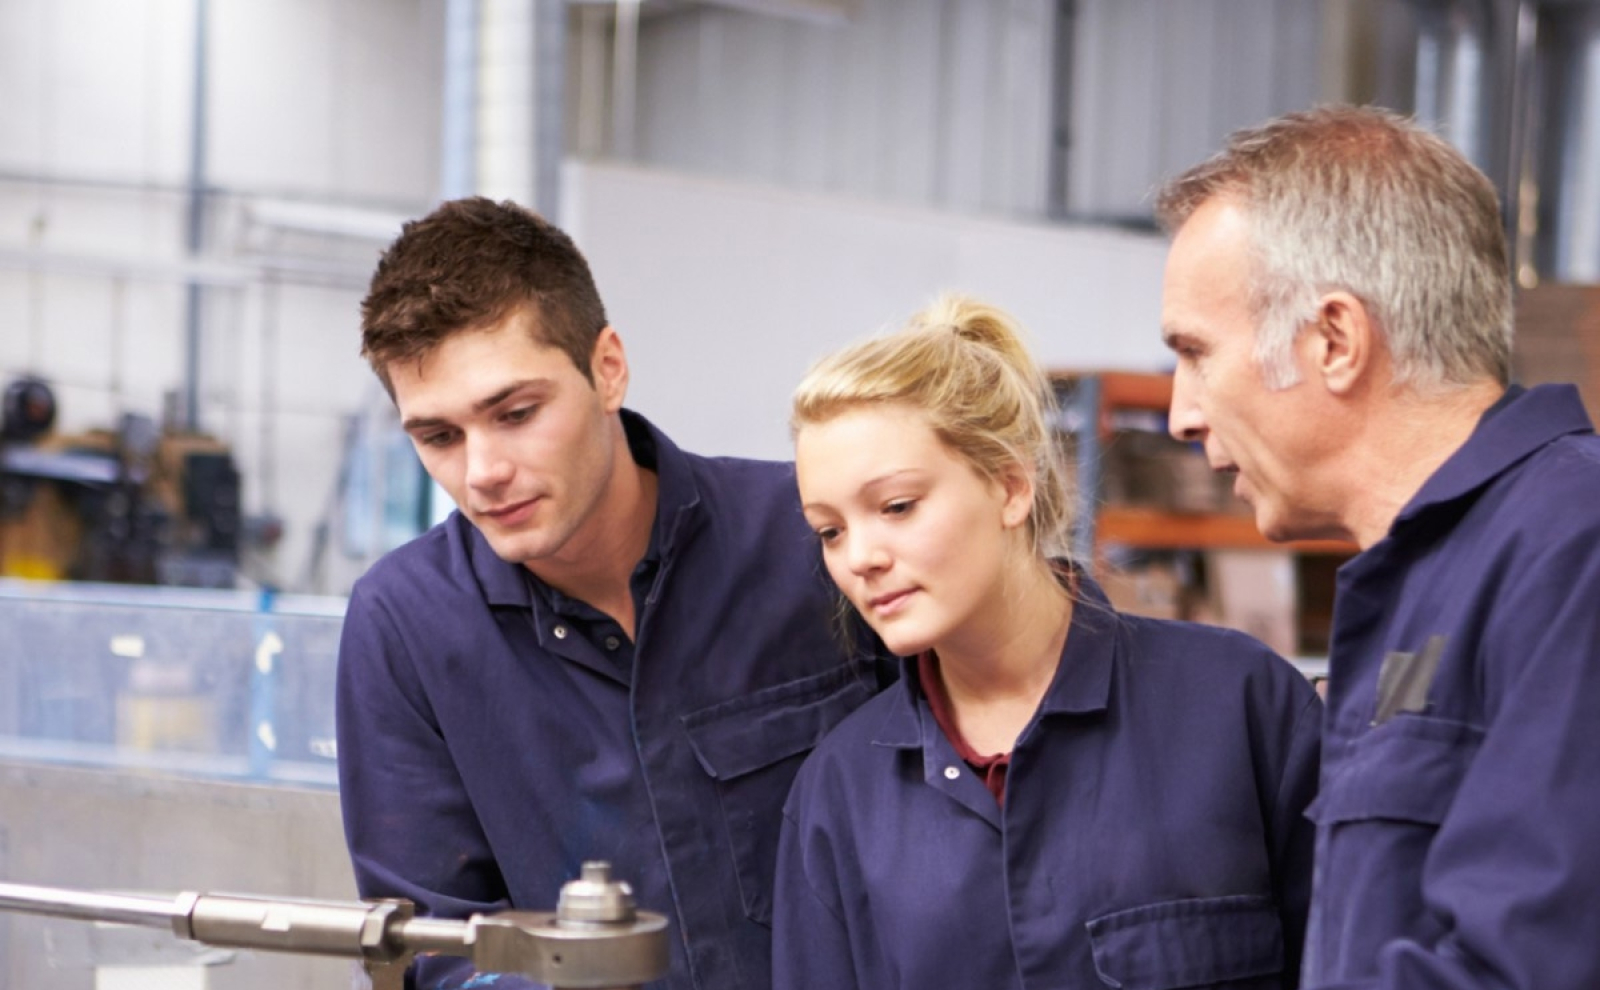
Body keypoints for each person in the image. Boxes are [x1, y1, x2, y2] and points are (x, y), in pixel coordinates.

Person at [335, 196, 888, 990]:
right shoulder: (404, 626)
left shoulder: (811, 538)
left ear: (608, 368)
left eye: (516, 413)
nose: (483, 471)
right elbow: (435, 949)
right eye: (439, 437)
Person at [1155, 104, 1600, 990]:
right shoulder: (1426, 580)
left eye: (1196, 355)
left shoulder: (1570, 548)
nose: (1181, 414)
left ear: (1333, 340)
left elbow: (1528, 965)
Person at [771, 293, 1321, 990]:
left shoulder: (1240, 707)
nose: (861, 557)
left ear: (1009, 486)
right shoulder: (839, 793)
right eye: (830, 530)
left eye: (897, 507)